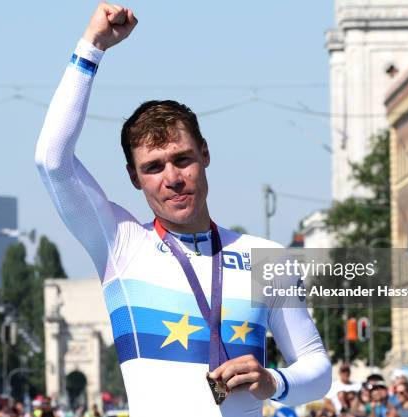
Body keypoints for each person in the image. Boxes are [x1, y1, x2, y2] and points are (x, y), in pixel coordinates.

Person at [35, 2, 331, 417]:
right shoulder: (120, 244)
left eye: (182, 159)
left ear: (205, 155)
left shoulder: (268, 258)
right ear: (134, 177)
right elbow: (52, 160)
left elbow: (318, 372)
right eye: (153, 168)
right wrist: (93, 47)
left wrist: (272, 381)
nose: (172, 178)